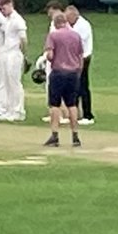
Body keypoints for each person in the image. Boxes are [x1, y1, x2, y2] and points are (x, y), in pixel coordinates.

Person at [43, 11, 84, 147]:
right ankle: (75, 136)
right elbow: (80, 55)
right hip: (73, 73)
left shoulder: (53, 35)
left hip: (59, 72)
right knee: (72, 104)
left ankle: (55, 135)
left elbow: (50, 55)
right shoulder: (76, 35)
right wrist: (78, 71)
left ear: (55, 24)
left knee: (54, 105)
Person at [0, 0, 27, 122]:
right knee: (6, 82)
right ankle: (9, 109)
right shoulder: (7, 20)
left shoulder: (18, 20)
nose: (3, 12)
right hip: (6, 52)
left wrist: (23, 54)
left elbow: (23, 39)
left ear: (10, 5)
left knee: (14, 82)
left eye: (4, 8)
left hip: (15, 53)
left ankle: (18, 110)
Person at [66, 5, 94, 125]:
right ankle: (75, 113)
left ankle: (88, 115)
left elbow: (77, 42)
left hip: (83, 58)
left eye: (69, 18)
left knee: (83, 86)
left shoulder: (83, 25)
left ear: (74, 16)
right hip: (73, 58)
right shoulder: (71, 25)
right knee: (73, 87)